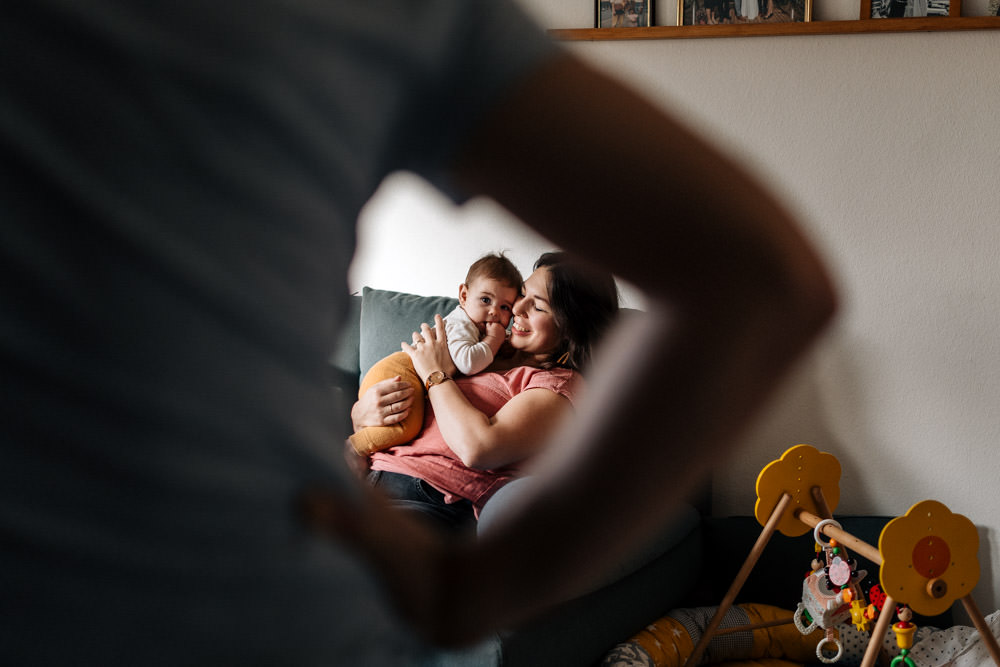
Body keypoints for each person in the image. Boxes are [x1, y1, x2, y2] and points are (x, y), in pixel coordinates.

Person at [0, 1, 837, 663]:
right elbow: (758, 280)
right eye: (509, 303)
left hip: (284, 565)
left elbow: (476, 449)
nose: (512, 316)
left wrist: (474, 585)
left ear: (571, 323)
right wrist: (374, 420)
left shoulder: (553, 388)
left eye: (530, 304)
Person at [358, 252, 619, 534]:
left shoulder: (559, 386)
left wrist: (435, 375)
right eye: (522, 294)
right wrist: (361, 414)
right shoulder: (483, 341)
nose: (517, 308)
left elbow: (479, 448)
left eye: (539, 307)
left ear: (570, 328)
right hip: (369, 473)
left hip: (429, 497)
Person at [349, 252, 522, 456]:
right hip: (400, 370)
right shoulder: (462, 324)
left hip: (406, 372)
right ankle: (352, 448)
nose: (494, 312)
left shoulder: (482, 332)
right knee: (404, 428)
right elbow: (468, 363)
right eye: (485, 300)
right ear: (464, 296)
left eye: (504, 307)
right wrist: (494, 340)